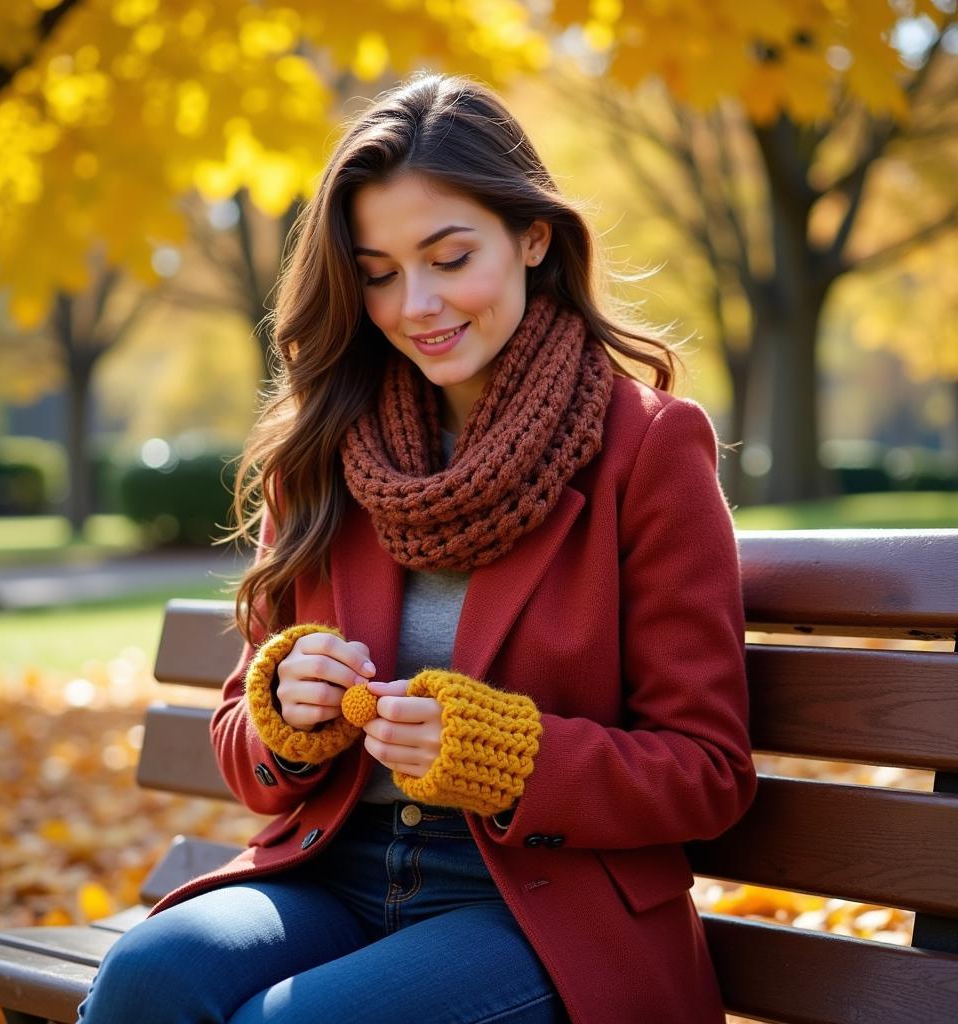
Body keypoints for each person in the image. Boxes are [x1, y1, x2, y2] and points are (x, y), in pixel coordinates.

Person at [77, 72, 757, 1024]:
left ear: (532, 236)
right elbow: (243, 750)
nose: (416, 304)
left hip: (541, 908)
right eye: (379, 270)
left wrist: (509, 754)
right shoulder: (325, 447)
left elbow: (709, 771)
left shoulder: (647, 447)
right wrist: (285, 710)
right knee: (146, 977)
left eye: (448, 257)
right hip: (332, 874)